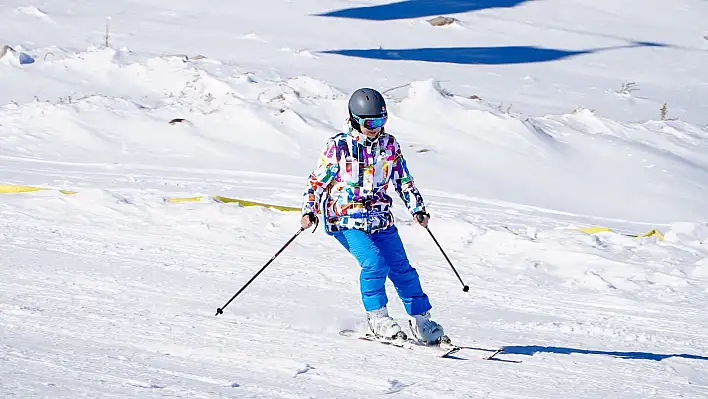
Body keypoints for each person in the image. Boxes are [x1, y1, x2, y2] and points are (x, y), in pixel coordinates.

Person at [300, 87, 446, 344]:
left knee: (402, 269)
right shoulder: (339, 147)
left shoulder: (389, 145)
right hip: (345, 220)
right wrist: (309, 211)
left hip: (380, 218)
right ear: (355, 119)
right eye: (371, 122)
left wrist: (417, 208)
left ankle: (422, 319)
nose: (377, 127)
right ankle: (378, 317)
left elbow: (404, 180)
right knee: (374, 264)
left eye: (381, 120)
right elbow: (316, 183)